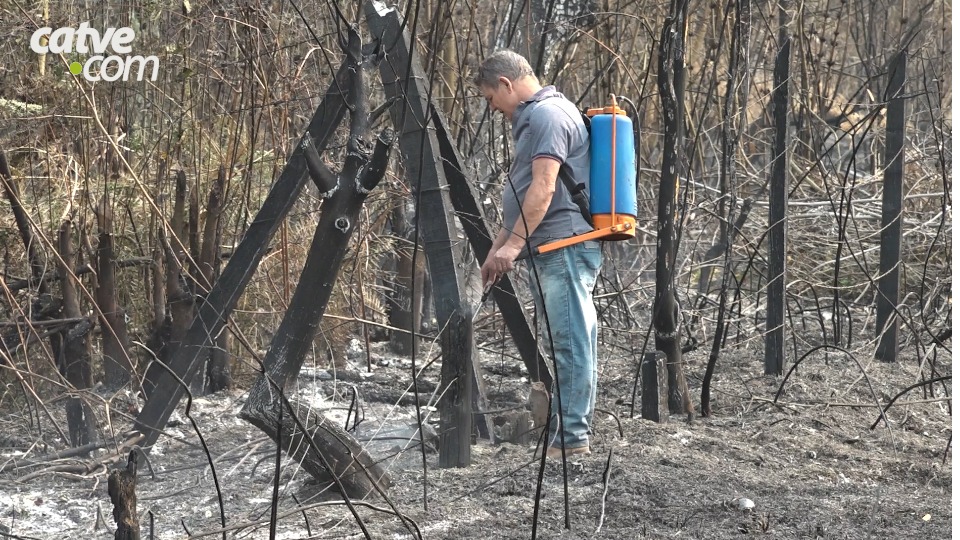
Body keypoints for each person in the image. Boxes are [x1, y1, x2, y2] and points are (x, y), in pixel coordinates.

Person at [474, 50, 602, 459]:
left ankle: (571, 441)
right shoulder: (538, 118)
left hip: (564, 247)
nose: (493, 109)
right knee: (566, 339)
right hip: (550, 247)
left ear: (506, 85)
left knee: (571, 342)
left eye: (491, 99)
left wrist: (511, 247)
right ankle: (568, 436)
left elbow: (544, 187)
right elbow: (525, 196)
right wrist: (498, 247)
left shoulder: (547, 116)